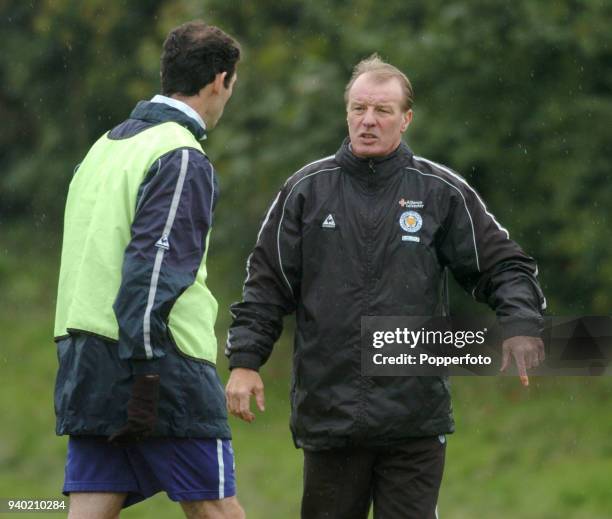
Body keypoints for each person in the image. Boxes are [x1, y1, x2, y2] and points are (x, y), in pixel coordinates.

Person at [225, 54, 546, 519]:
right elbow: (266, 285)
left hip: (413, 420)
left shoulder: (440, 191)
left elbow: (504, 265)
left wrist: (520, 323)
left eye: (382, 111)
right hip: (330, 416)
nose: (368, 121)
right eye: (359, 109)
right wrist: (246, 362)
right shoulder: (305, 190)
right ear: (347, 113)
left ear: (406, 119)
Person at [54, 21, 244, 519]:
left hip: (86, 361)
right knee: (217, 509)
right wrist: (145, 372)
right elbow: (152, 267)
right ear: (220, 81)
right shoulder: (181, 155)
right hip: (158, 364)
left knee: (90, 508)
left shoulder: (103, 148)